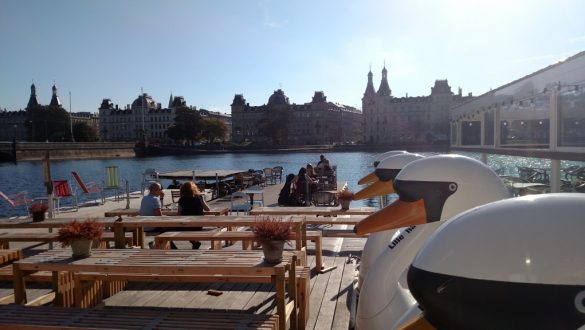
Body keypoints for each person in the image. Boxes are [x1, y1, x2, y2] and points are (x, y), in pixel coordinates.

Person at [177, 181, 210, 249]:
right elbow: (207, 209)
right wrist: (202, 200)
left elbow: (179, 214)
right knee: (190, 230)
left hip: (186, 224)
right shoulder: (199, 197)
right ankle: (195, 242)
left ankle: (195, 242)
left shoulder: (182, 199)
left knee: (170, 229)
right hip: (198, 224)